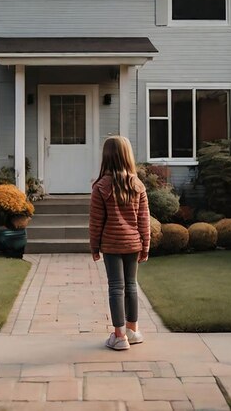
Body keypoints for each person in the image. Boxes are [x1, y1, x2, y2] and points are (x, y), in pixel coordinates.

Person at [89, 135, 150, 351]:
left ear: (106, 157)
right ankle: (133, 330)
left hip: (112, 245)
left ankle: (119, 336)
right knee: (131, 285)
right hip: (133, 244)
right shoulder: (138, 185)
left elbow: (96, 222)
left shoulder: (100, 187)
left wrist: (94, 247)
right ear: (127, 156)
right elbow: (144, 221)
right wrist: (146, 246)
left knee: (116, 287)